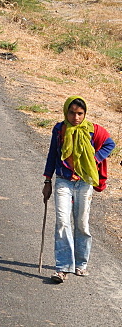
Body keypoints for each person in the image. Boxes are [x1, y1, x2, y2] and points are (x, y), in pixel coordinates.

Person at [42, 96, 114, 283]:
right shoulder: (60, 130)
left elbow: (110, 144)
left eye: (80, 113)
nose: (76, 117)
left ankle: (80, 264)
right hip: (63, 181)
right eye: (72, 113)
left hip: (84, 182)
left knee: (81, 223)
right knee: (62, 221)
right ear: (66, 112)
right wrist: (47, 181)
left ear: (85, 114)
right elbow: (52, 154)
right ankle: (63, 268)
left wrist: (95, 159)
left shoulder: (93, 130)